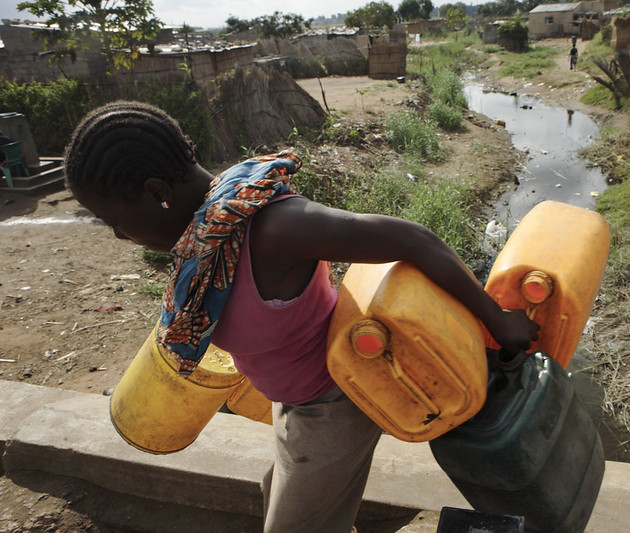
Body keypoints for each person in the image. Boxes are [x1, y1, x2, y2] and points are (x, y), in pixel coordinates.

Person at [64, 101, 540, 533]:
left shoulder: (274, 227)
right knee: (281, 499)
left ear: (156, 192)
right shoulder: (210, 232)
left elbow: (415, 240)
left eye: (113, 221)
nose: (118, 236)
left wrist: (497, 320)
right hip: (294, 403)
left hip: (334, 402)